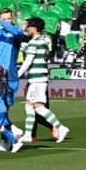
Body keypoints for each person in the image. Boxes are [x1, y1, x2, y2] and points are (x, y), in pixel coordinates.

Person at [18, 16, 68, 144]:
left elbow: (27, 62)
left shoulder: (35, 43)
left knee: (38, 107)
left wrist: (17, 75)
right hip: (38, 78)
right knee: (29, 106)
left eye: (28, 26)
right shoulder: (42, 42)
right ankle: (28, 134)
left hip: (37, 79)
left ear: (34, 28)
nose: (26, 28)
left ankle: (60, 127)